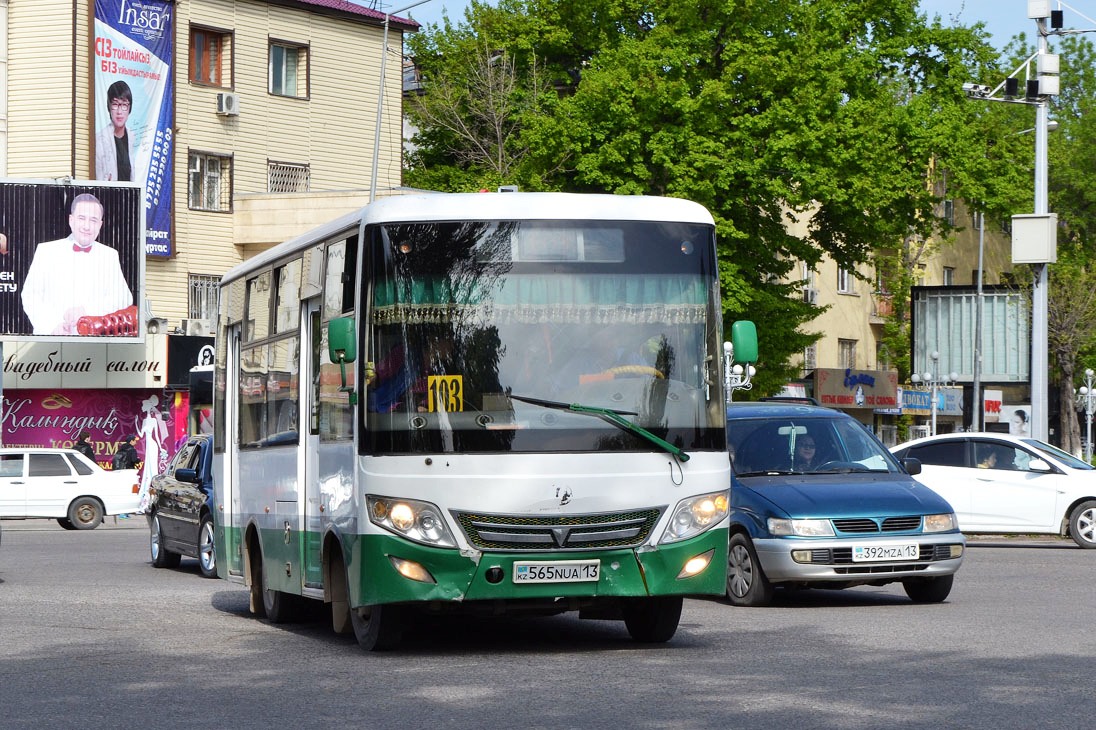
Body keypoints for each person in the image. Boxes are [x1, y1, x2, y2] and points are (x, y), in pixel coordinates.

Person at [21, 193, 133, 335]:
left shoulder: (110, 255)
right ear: (71, 220)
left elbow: (123, 298)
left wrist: (87, 310)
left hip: (95, 341)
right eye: (81, 218)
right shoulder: (46, 251)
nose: (87, 226)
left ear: (100, 224)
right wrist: (52, 326)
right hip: (50, 340)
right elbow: (31, 296)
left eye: (93, 220)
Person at [95, 80, 136, 182]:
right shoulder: (100, 139)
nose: (119, 111)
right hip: (108, 196)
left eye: (124, 105)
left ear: (129, 108)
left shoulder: (131, 137)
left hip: (128, 196)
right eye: (115, 104)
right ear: (109, 107)